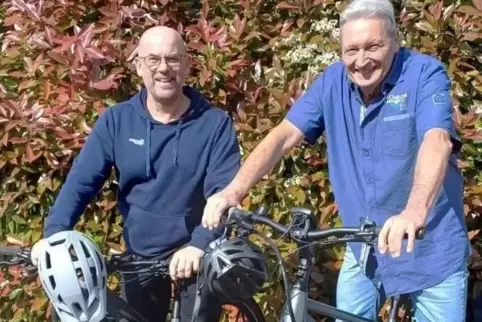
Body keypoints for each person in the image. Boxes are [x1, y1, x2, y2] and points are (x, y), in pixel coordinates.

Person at [201, 0, 470, 321]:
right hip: (364, 246)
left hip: (430, 244)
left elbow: (436, 140)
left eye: (373, 47)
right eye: (351, 50)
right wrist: (234, 191)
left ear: (395, 42)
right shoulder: (332, 82)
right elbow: (284, 135)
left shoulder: (424, 74)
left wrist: (414, 212)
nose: (361, 60)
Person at [30, 26, 240, 322]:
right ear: (139, 65)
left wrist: (200, 244)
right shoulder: (117, 121)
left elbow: (223, 194)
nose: (163, 68)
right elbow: (80, 184)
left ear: (188, 65)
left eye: (173, 59)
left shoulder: (215, 125)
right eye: (153, 59)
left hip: (195, 257)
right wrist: (53, 235)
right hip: (140, 256)